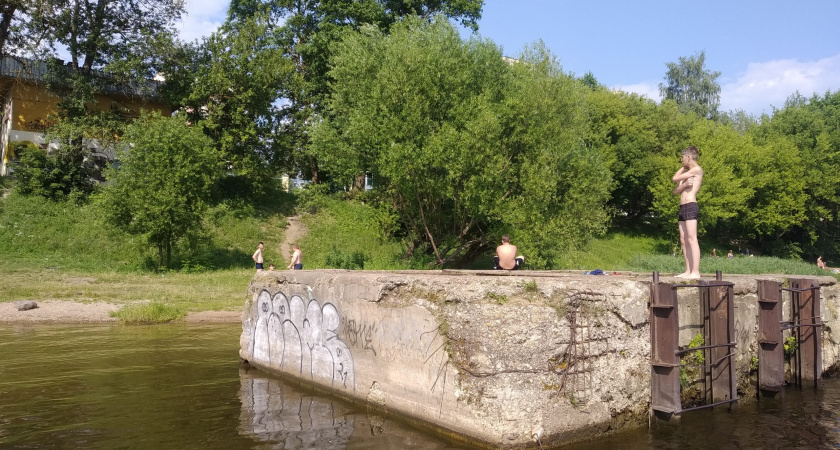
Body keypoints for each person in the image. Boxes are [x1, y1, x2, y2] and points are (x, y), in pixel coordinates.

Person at [672, 145, 703, 279]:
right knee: (683, 240)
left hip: (691, 205)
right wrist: (684, 185)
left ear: (688, 157)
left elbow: (674, 178)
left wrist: (683, 170)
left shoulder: (696, 170)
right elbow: (675, 191)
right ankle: (688, 270)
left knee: (691, 238)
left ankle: (695, 272)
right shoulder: (686, 175)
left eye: (682, 157)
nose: (681, 160)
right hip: (682, 206)